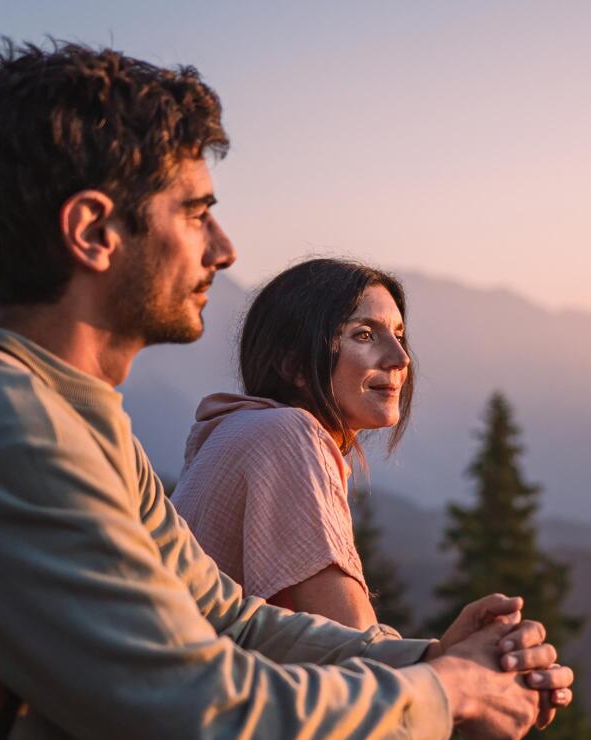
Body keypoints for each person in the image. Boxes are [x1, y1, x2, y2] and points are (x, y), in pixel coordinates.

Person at [0, 40, 573, 739]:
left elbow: (227, 620)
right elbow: (198, 710)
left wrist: (431, 657)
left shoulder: (69, 421)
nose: (226, 249)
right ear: (95, 232)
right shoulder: (1, 436)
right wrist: (445, 695)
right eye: (197, 213)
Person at [172, 258, 417, 630]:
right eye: (364, 334)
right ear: (294, 366)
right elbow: (353, 640)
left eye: (398, 335)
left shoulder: (246, 431)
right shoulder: (287, 435)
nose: (400, 358)